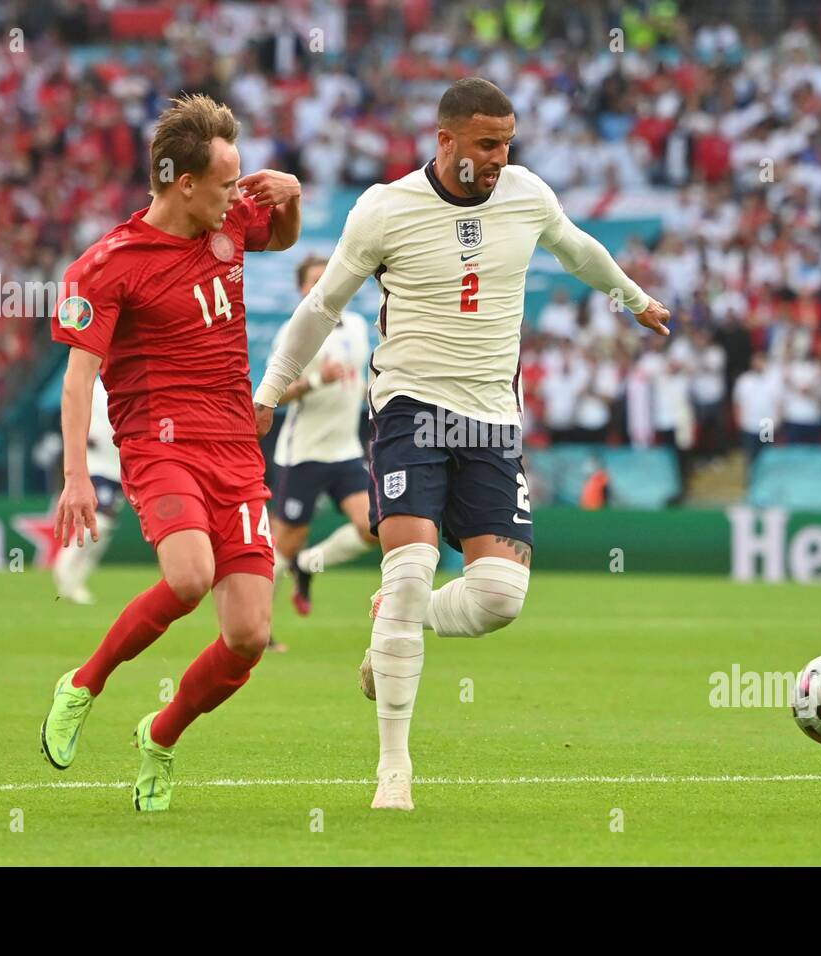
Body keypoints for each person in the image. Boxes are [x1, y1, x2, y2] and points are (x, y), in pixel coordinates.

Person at [252, 78, 670, 811]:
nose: (501, 156)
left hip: (492, 424)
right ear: (445, 141)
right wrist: (269, 391)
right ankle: (393, 772)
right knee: (411, 569)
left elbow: (577, 249)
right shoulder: (385, 209)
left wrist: (634, 300)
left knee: (499, 600)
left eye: (508, 142)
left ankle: (393, 618)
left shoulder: (527, 195)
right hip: (410, 411)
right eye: (487, 143)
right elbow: (321, 308)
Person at [41, 94, 301, 811]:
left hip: (237, 448)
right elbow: (78, 378)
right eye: (227, 183)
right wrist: (75, 479)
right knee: (189, 577)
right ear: (184, 183)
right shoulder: (108, 265)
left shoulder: (231, 221)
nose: (238, 196)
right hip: (161, 444)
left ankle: (160, 735)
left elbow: (277, 237)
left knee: (249, 635)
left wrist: (293, 199)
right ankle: (84, 683)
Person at [269, 255, 378, 618]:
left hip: (344, 450)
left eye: (325, 278)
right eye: (313, 280)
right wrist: (317, 381)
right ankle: (255, 630)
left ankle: (309, 564)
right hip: (305, 452)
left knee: (374, 527)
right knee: (283, 546)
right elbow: (272, 393)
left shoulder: (358, 326)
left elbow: (360, 378)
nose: (321, 286)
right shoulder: (294, 333)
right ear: (301, 289)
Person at [51, 375, 120, 605]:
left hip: (120, 466)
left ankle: (76, 580)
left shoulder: (125, 386)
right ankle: (64, 568)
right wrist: (84, 437)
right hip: (96, 465)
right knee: (98, 523)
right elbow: (71, 411)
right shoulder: (92, 387)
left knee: (104, 528)